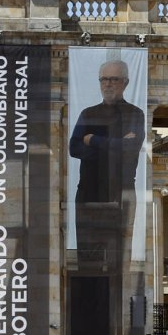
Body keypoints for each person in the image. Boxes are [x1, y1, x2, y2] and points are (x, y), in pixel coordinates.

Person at [69, 59, 145, 285]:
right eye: (104, 79)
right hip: (89, 194)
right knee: (87, 262)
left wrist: (93, 140)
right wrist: (115, 145)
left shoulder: (135, 114)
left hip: (121, 193)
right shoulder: (88, 113)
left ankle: (118, 318)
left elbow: (131, 148)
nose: (108, 84)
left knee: (119, 262)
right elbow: (74, 148)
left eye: (114, 79)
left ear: (126, 83)